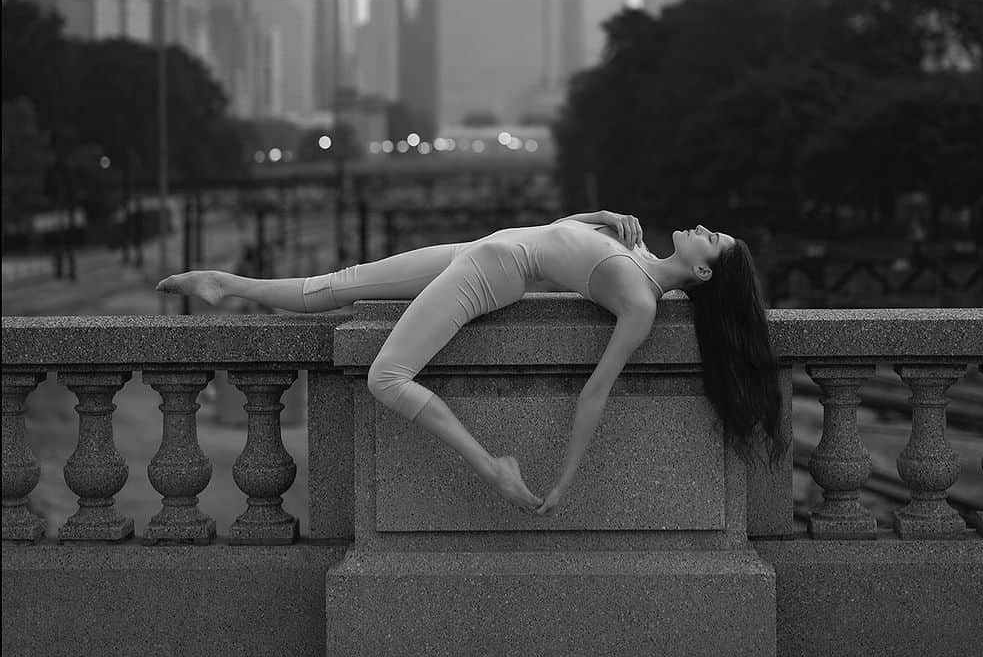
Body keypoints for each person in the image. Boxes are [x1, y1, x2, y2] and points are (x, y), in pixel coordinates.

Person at [157, 211, 783, 515]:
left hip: (493, 271)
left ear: (702, 271)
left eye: (713, 239)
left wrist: (564, 480)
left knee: (386, 377)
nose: (704, 226)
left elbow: (596, 391)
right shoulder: (635, 242)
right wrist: (596, 217)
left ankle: (493, 467)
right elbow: (555, 232)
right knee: (339, 285)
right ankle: (224, 282)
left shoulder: (641, 302)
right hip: (486, 249)